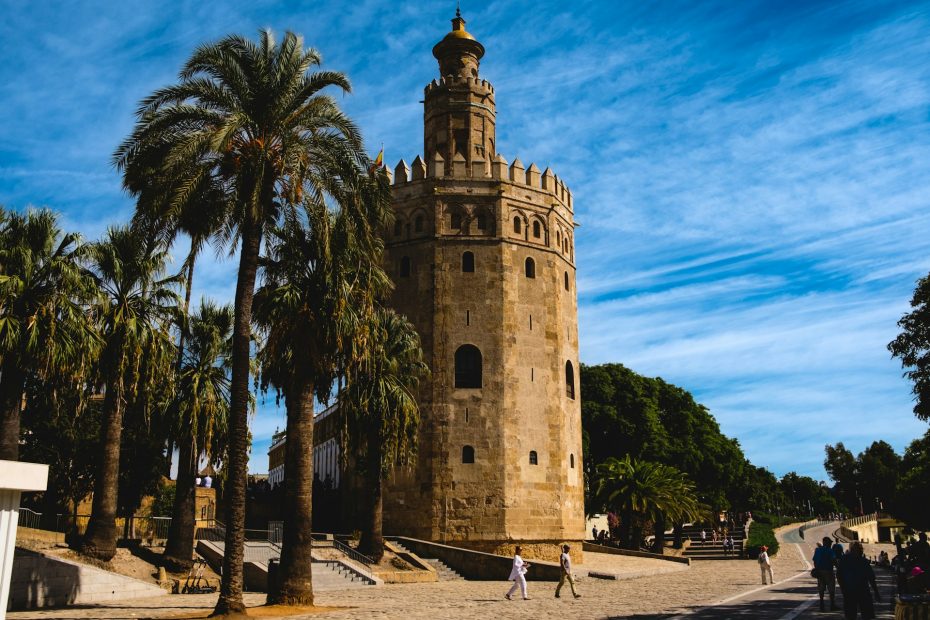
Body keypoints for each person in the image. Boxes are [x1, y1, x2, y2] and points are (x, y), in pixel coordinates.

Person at [837, 541, 881, 619]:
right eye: (860, 549)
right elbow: (871, 578)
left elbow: (839, 575)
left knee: (851, 615)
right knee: (866, 614)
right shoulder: (863, 561)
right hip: (862, 591)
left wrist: (843, 588)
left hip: (849, 591)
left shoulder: (844, 560)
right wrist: (876, 592)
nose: (861, 551)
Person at [813, 536, 839, 611]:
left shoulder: (817, 550)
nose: (831, 544)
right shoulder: (830, 551)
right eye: (830, 542)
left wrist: (817, 569)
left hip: (819, 572)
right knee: (831, 589)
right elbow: (834, 560)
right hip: (828, 571)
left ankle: (821, 605)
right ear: (826, 542)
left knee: (821, 588)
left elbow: (814, 561)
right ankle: (832, 605)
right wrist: (838, 568)